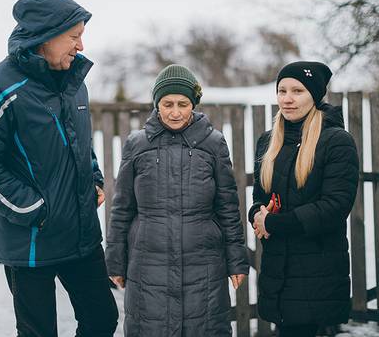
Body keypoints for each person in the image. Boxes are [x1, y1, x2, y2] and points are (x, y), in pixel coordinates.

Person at [0, 0, 118, 337]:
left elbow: (79, 143)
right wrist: (35, 210)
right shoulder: (0, 87)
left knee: (103, 319)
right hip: (31, 243)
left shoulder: (74, 82)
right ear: (45, 36)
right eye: (74, 37)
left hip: (81, 235)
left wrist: (93, 176)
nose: (81, 46)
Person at [105, 64, 249, 337]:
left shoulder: (213, 143)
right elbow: (122, 207)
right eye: (167, 103)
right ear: (156, 104)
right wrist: (115, 261)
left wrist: (237, 261)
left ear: (193, 105)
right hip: (148, 262)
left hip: (203, 263)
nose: (175, 111)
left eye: (183, 104)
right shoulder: (137, 144)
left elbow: (228, 207)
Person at [248, 61, 359, 337]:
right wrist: (257, 215)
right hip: (277, 266)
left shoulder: (336, 141)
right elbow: (258, 197)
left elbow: (334, 207)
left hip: (316, 267)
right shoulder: (268, 141)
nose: (287, 98)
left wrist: (273, 223)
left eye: (297, 90)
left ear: (314, 95)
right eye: (282, 90)